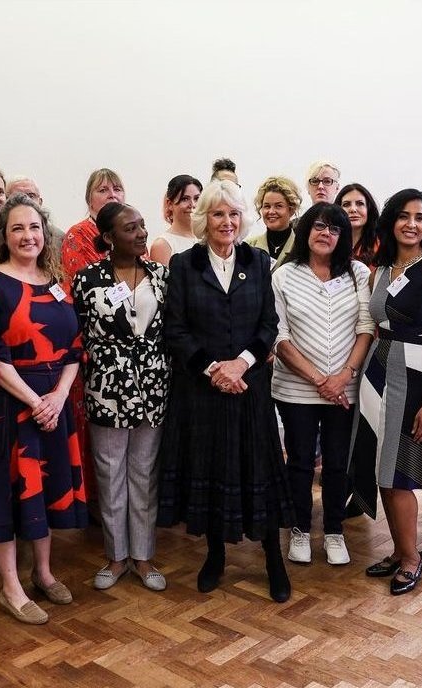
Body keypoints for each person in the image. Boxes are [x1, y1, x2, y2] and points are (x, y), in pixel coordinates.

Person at [157, 180, 294, 603]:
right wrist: (215, 369)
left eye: (234, 214)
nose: (227, 222)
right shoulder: (184, 264)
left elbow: (268, 325)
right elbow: (175, 329)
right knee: (213, 470)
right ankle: (214, 555)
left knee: (258, 471)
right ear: (204, 219)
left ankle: (273, 560)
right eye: (218, 213)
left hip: (250, 389)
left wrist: (241, 364)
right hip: (203, 391)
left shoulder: (259, 261)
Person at [0, 194, 87, 625]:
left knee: (44, 489)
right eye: (17, 228)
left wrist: (58, 397)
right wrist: (36, 402)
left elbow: (74, 348)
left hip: (54, 403)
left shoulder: (57, 282)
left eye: (34, 227)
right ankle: (10, 588)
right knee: (5, 494)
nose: (28, 235)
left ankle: (43, 573)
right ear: (3, 235)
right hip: (8, 404)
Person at [352, 189, 422, 595]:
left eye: (420, 217)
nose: (411, 224)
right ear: (391, 221)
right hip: (377, 371)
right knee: (382, 467)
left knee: (400, 474)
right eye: (403, 216)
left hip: (416, 377)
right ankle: (400, 550)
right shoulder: (379, 269)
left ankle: (412, 559)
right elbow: (373, 325)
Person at [73, 202, 170, 592]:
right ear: (109, 237)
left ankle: (143, 556)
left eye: (142, 225)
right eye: (130, 228)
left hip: (152, 386)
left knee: (144, 473)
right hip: (107, 388)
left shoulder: (161, 276)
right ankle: (116, 557)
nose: (141, 233)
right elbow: (76, 331)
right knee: (110, 472)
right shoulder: (87, 279)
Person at [271, 202, 373, 567]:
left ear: (343, 236)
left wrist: (342, 377)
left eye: (334, 228)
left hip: (345, 389)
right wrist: (319, 380)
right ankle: (300, 529)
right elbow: (279, 337)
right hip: (295, 389)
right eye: (318, 226)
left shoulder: (358, 273)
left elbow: (366, 328)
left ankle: (333, 531)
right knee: (299, 461)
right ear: (305, 231)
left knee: (336, 463)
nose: (325, 233)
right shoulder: (284, 274)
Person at [60, 168, 126, 510]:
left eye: (117, 189)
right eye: (103, 190)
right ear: (89, 199)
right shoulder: (78, 235)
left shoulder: (131, 231)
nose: (112, 194)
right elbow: (88, 289)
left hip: (131, 348)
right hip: (92, 347)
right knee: (94, 428)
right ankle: (94, 501)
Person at [247, 176, 302, 269]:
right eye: (267, 206)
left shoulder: (302, 249)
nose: (271, 211)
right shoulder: (249, 247)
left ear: (291, 209)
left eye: (278, 206)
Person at [149, 174, 202, 266]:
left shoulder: (208, 238)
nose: (192, 204)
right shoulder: (162, 245)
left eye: (197, 198)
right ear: (170, 204)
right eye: (185, 199)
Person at [337, 182, 381, 265]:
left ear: (369, 209)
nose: (353, 209)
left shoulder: (383, 246)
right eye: (346, 204)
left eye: (360, 203)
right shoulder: (329, 243)